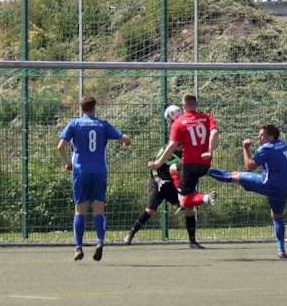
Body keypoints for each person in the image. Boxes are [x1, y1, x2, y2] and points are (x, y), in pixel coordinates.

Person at [58, 96, 131, 262]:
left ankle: (78, 247)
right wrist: (127, 142)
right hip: (99, 171)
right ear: (94, 108)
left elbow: (60, 146)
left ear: (81, 108)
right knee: (99, 210)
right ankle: (100, 242)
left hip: (80, 171)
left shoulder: (75, 124)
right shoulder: (103, 124)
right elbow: (125, 138)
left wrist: (68, 163)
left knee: (79, 211)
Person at [208, 124, 287, 259]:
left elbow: (249, 167)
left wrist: (245, 148)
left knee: (234, 175)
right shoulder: (282, 143)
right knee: (277, 216)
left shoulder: (266, 148)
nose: (259, 137)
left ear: (271, 137)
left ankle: (203, 170)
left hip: (269, 184)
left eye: (262, 135)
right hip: (286, 185)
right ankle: (281, 249)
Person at [124, 111, 206, 249]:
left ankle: (192, 241)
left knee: (189, 207)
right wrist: (158, 181)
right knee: (150, 210)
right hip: (159, 183)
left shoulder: (187, 151)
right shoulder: (166, 150)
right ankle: (131, 234)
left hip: (174, 185)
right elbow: (154, 169)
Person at [148, 93, 218, 215]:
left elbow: (171, 146)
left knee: (184, 202)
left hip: (189, 165)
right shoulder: (207, 117)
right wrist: (210, 151)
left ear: (183, 107)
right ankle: (182, 192)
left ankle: (206, 197)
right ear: (196, 105)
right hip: (205, 165)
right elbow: (214, 133)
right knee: (173, 168)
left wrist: (158, 163)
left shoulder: (179, 123)